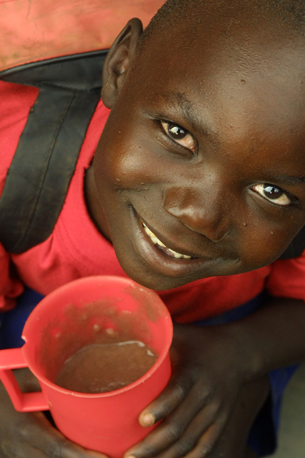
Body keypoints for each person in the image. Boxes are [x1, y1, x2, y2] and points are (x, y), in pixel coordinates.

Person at [1, 0, 305, 457]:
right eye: (178, 133)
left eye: (272, 192)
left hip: (232, 335)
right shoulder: (14, 159)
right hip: (33, 315)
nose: (199, 216)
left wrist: (239, 355)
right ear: (122, 68)